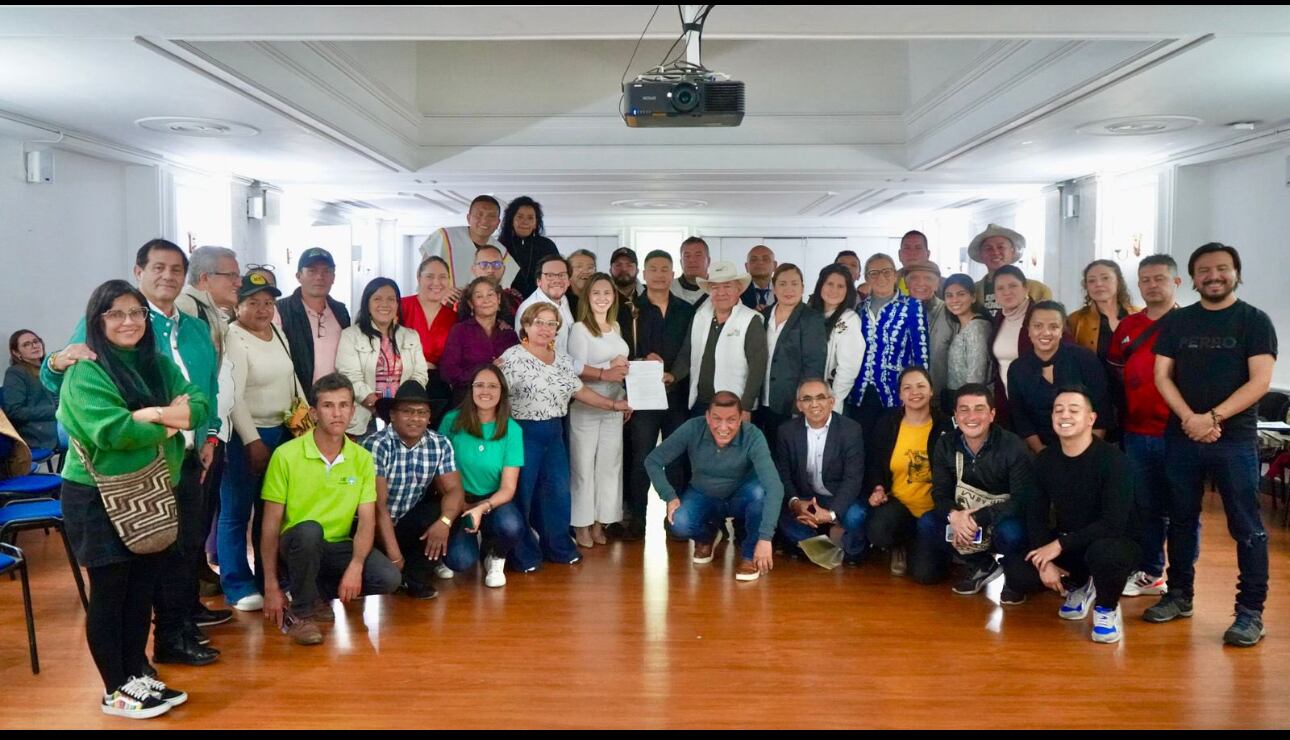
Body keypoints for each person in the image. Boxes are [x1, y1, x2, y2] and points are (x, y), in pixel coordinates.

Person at [44, 239, 225, 667]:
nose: (168, 276)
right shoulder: (116, 326)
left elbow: (205, 396)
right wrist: (53, 363)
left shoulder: (194, 328)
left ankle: (175, 634)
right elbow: (74, 382)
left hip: (181, 460)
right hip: (114, 476)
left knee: (178, 551)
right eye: (158, 267)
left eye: (176, 269)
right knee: (124, 575)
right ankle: (127, 670)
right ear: (139, 271)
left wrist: (205, 435)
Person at [57, 279, 209, 718]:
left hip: (153, 486)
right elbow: (113, 433)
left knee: (142, 587)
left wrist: (153, 414)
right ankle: (114, 689)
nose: (129, 322)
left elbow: (197, 405)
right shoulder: (86, 372)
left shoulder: (157, 363)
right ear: (98, 319)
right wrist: (168, 423)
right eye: (116, 314)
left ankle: (135, 673)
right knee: (111, 589)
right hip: (96, 496)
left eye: (136, 313)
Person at [1146, 243, 1276, 647]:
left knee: (1247, 528)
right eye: (1204, 270)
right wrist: (1189, 418)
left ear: (1236, 272)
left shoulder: (1254, 320)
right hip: (1183, 435)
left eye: (1222, 268)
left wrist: (1212, 418)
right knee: (1181, 520)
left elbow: (1260, 382)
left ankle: (1249, 613)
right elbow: (1162, 375)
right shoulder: (1179, 321)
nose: (1213, 276)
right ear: (1194, 277)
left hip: (1233, 441)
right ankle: (1180, 595)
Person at [260, 373, 401, 646]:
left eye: (344, 405)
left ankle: (317, 594)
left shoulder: (361, 458)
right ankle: (301, 614)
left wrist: (356, 567)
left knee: (388, 577)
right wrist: (270, 585)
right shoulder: (286, 455)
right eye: (328, 406)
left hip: (338, 546)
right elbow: (269, 526)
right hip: (297, 545)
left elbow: (367, 522)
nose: (337, 413)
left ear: (352, 410)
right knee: (311, 531)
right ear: (313, 413)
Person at [501, 303, 630, 570]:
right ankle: (522, 554)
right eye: (539, 322)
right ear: (525, 325)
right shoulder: (511, 358)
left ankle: (558, 547)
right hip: (523, 433)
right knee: (523, 495)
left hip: (554, 433)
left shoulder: (560, 359)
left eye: (551, 324)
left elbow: (580, 391)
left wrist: (614, 405)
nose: (545, 329)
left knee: (558, 493)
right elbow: (494, 396)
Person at [1007, 387, 1140, 644]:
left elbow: (1113, 523)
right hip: (1073, 543)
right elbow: (1035, 514)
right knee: (1018, 572)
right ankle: (1079, 585)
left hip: (1115, 543)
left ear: (1091, 419)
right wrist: (1044, 561)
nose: (1064, 415)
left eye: (1073, 410)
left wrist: (1057, 546)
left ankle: (1106, 608)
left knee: (1105, 554)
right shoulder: (1045, 460)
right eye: (1059, 410)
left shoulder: (1113, 460)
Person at [217, 273, 296, 612]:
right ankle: (236, 583)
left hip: (281, 431)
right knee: (236, 510)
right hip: (245, 436)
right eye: (254, 302)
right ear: (238, 304)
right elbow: (232, 396)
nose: (263, 309)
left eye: (269, 302)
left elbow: (292, 380)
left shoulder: (277, 331)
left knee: (273, 510)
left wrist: (304, 422)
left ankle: (271, 577)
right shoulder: (233, 337)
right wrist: (252, 441)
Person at [646, 392, 784, 581]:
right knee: (679, 522)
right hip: (703, 494)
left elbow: (774, 486)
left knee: (760, 493)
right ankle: (707, 536)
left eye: (731, 420)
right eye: (717, 419)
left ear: (741, 418)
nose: (723, 427)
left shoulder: (753, 435)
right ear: (707, 417)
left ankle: (749, 555)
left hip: (741, 497)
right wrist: (669, 496)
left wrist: (766, 538)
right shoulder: (692, 428)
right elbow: (653, 460)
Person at [1107, 254, 1183, 597]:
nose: (1152, 285)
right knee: (1145, 506)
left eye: (1160, 278)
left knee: (1183, 508)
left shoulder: (1190, 324)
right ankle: (1152, 571)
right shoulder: (1127, 327)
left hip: (1180, 433)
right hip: (1136, 433)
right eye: (1146, 280)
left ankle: (1183, 582)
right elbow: (1116, 373)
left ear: (1176, 282)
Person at [913, 384, 1033, 597]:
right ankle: (982, 565)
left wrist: (979, 517)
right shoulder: (945, 444)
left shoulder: (1013, 446)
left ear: (992, 414)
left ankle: (1012, 573)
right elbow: (939, 493)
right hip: (964, 515)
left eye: (979, 409)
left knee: (1011, 534)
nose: (972, 416)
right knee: (928, 523)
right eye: (964, 409)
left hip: (1002, 518)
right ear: (956, 415)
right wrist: (955, 515)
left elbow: (1022, 500)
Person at [363, 380, 467, 600]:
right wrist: (394, 556)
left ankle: (414, 577)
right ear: (392, 415)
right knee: (384, 572)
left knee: (450, 510)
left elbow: (455, 490)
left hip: (406, 522)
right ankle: (395, 569)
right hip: (374, 526)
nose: (415, 418)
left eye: (422, 412)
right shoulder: (376, 444)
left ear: (429, 418)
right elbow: (377, 507)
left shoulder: (440, 443)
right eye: (407, 411)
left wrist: (444, 522)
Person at [620, 250, 696, 541]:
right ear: (644, 274)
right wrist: (641, 360)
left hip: (676, 392)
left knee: (676, 458)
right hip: (642, 396)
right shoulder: (629, 310)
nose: (660, 274)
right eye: (653, 269)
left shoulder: (685, 310)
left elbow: (690, 350)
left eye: (665, 269)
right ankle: (638, 519)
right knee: (642, 457)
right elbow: (620, 350)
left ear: (673, 274)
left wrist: (673, 373)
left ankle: (674, 518)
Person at [439, 365, 527, 588]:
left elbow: (508, 488)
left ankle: (495, 557)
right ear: (470, 390)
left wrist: (481, 508)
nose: (485, 391)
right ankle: (459, 546)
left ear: (502, 392)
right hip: (458, 497)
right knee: (459, 561)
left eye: (492, 386)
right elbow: (437, 469)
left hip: (493, 500)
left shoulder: (512, 429)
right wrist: (457, 503)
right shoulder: (451, 421)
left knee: (511, 525)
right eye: (479, 385)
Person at [864, 367, 953, 575]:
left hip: (934, 511)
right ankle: (899, 545)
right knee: (878, 529)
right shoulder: (888, 424)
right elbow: (875, 463)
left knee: (926, 575)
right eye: (907, 388)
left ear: (931, 391)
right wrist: (877, 487)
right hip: (899, 507)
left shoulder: (946, 426)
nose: (915, 392)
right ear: (901, 395)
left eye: (921, 386)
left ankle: (926, 545)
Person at [567, 273, 630, 547]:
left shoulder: (615, 326)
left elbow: (622, 371)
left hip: (615, 404)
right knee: (583, 466)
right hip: (587, 403)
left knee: (610, 465)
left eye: (607, 293)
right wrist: (608, 371)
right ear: (587, 297)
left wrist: (626, 395)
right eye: (596, 293)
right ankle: (580, 524)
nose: (602, 298)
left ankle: (599, 521)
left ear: (614, 297)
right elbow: (575, 371)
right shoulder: (580, 329)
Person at [774, 380, 867, 561]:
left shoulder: (850, 430)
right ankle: (827, 547)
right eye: (807, 399)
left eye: (820, 398)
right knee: (778, 515)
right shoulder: (787, 431)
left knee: (857, 516)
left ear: (831, 402)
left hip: (839, 496)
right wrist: (796, 504)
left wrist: (831, 514)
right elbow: (783, 474)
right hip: (806, 499)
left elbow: (853, 479)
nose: (814, 404)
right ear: (799, 405)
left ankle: (849, 553)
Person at [1006, 301, 1111, 453]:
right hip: (1038, 451)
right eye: (1038, 326)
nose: (1046, 332)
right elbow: (1020, 417)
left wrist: (1086, 453)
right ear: (1028, 330)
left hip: (1087, 449)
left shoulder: (1085, 359)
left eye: (1053, 327)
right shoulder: (1017, 368)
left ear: (1062, 330)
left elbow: (1102, 410)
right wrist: (1041, 451)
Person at [672, 261, 768, 417]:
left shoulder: (751, 319)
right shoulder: (700, 316)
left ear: (739, 289)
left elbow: (758, 367)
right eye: (715, 287)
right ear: (709, 291)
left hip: (734, 406)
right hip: (700, 403)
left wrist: (746, 406)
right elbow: (686, 353)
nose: (721, 292)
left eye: (727, 286)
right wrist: (673, 375)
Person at [335, 278, 429, 437]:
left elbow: (420, 375)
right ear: (367, 304)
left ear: (398, 305)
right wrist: (379, 406)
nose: (384, 304)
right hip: (364, 418)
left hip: (403, 416)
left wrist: (401, 406)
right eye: (377, 299)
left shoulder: (411, 336)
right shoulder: (350, 336)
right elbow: (350, 377)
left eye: (391, 299)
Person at [847, 253, 929, 433]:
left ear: (895, 275)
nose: (881, 277)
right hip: (860, 392)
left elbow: (921, 354)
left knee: (890, 447)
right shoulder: (860, 309)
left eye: (886, 271)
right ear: (867, 278)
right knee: (863, 446)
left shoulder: (912, 307)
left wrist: (920, 393)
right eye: (874, 273)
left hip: (896, 392)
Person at [756, 264, 826, 452]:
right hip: (760, 398)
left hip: (790, 402)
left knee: (786, 454)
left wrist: (803, 402)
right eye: (783, 283)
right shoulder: (762, 316)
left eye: (794, 284)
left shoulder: (812, 319)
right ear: (774, 287)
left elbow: (814, 366)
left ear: (803, 287)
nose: (789, 289)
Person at [276, 247, 352, 397]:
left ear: (333, 277)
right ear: (299, 276)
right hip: (296, 402)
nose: (320, 277)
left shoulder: (341, 311)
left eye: (326, 271)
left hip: (334, 401)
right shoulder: (281, 311)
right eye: (312, 271)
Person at [439, 277, 520, 400]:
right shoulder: (460, 331)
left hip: (502, 403)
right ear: (471, 304)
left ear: (498, 299)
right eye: (479, 296)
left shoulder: (509, 335)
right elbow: (448, 372)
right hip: (466, 402)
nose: (486, 300)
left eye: (490, 294)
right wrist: (485, 371)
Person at [419, 194, 512, 297]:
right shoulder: (445, 237)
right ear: (468, 218)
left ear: (498, 222)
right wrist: (441, 290)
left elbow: (504, 286)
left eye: (491, 216)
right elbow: (423, 272)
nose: (485, 220)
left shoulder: (501, 251)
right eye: (479, 215)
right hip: (443, 303)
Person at [399, 256, 457, 419]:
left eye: (442, 277)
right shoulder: (401, 306)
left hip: (438, 387)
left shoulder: (453, 317)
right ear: (418, 277)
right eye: (430, 276)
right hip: (403, 381)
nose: (436, 283)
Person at [808, 265, 864, 414]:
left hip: (830, 399)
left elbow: (848, 368)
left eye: (840, 286)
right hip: (805, 395)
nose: (834, 290)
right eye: (830, 284)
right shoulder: (809, 314)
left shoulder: (849, 319)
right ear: (821, 285)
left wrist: (834, 402)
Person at [968, 224, 1053, 317]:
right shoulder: (972, 291)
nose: (995, 252)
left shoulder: (1038, 290)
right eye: (988, 249)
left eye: (1001, 247)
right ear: (981, 255)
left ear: (1012, 251)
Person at [938, 273, 993, 414]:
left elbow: (976, 375)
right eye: (949, 295)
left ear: (973, 297)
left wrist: (967, 407)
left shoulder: (977, 327)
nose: (954, 299)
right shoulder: (959, 325)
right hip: (958, 398)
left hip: (969, 402)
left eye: (961, 294)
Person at [1067, 260, 1141, 360]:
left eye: (1105, 278)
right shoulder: (1075, 320)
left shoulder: (1140, 315)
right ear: (1086, 287)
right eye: (1091, 280)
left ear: (1118, 282)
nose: (1098, 284)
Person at [989, 264, 1035, 425]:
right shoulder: (1000, 318)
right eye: (1000, 288)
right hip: (1006, 402)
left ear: (1025, 288)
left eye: (1013, 286)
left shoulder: (1040, 315)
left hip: (1036, 404)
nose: (1006, 292)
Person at [4, 330, 61, 451]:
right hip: (40, 431)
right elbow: (15, 411)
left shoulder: (50, 367)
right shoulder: (15, 373)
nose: (34, 346)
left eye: (36, 341)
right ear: (16, 352)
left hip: (63, 418)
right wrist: (56, 410)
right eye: (26, 344)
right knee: (86, 432)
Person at [514, 254, 577, 359]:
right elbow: (536, 356)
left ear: (569, 281)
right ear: (538, 281)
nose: (556, 280)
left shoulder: (563, 299)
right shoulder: (532, 308)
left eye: (562, 275)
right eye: (550, 275)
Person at [904, 260, 951, 399]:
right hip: (904, 396)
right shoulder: (896, 312)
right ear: (906, 284)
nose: (920, 283)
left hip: (940, 396)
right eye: (914, 278)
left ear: (937, 284)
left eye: (928, 278)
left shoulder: (950, 311)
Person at [498, 195, 559, 298]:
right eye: (520, 217)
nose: (525, 221)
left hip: (541, 300)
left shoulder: (547, 245)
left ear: (536, 223)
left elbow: (557, 274)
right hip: (508, 301)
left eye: (530, 218)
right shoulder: (500, 246)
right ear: (511, 220)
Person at [456, 244, 525, 327]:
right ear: (474, 269)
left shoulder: (514, 298)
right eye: (484, 265)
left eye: (496, 265)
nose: (490, 270)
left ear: (503, 269)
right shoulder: (459, 298)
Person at [670, 236, 711, 305]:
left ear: (708, 261)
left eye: (698, 255)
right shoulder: (668, 289)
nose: (692, 260)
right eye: (687, 256)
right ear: (681, 262)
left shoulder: (719, 290)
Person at [741, 244, 777, 311]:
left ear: (774, 265)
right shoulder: (739, 292)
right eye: (754, 260)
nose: (760, 262)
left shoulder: (784, 290)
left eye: (765, 259)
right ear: (746, 267)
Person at [895, 230, 932, 295]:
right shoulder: (886, 284)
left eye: (918, 248)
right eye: (907, 248)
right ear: (899, 254)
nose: (912, 253)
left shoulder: (945, 286)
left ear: (928, 255)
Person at [567, 248, 597, 313]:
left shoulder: (600, 299)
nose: (585, 272)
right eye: (579, 267)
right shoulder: (561, 300)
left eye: (590, 268)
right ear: (568, 272)